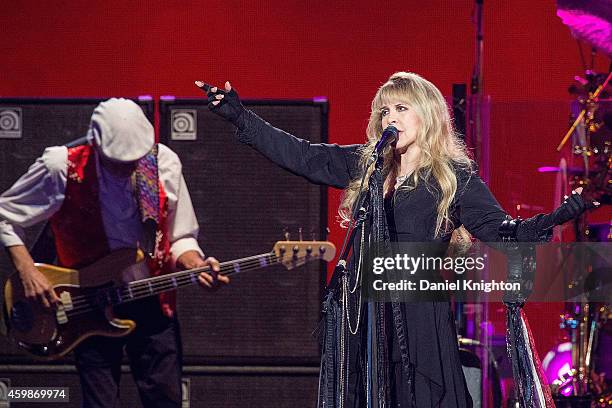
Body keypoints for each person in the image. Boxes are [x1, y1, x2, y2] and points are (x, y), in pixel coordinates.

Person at [196, 72, 597, 407]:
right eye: (385, 110)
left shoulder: (452, 176)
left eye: (402, 108)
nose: (391, 117)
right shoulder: (370, 164)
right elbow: (301, 155)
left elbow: (506, 233)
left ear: (427, 115)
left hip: (419, 318)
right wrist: (239, 116)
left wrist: (562, 215)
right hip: (365, 317)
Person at [0, 98, 229, 408]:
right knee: (101, 402)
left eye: (135, 160)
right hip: (87, 302)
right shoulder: (61, 167)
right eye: (117, 162)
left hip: (150, 297)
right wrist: (28, 271)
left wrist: (197, 265)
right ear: (95, 145)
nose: (129, 168)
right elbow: (5, 215)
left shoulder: (162, 164)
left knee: (165, 398)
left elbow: (180, 237)